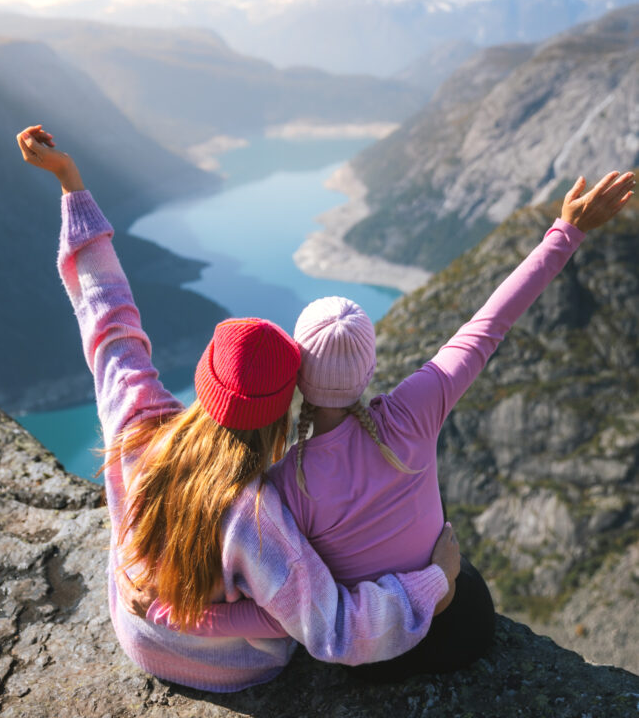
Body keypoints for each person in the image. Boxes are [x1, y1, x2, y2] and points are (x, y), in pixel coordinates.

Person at [16, 124, 458, 693]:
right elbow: (337, 630)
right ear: (284, 408)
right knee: (286, 617)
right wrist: (433, 583)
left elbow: (105, 313)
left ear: (205, 379)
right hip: (227, 667)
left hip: (135, 629)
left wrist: (69, 183)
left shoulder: (137, 419)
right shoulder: (259, 515)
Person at [260, 165, 635, 680]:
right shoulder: (415, 409)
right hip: (463, 631)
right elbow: (489, 324)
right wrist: (567, 230)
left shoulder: (286, 481)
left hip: (377, 659)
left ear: (299, 377)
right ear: (369, 368)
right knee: (461, 565)